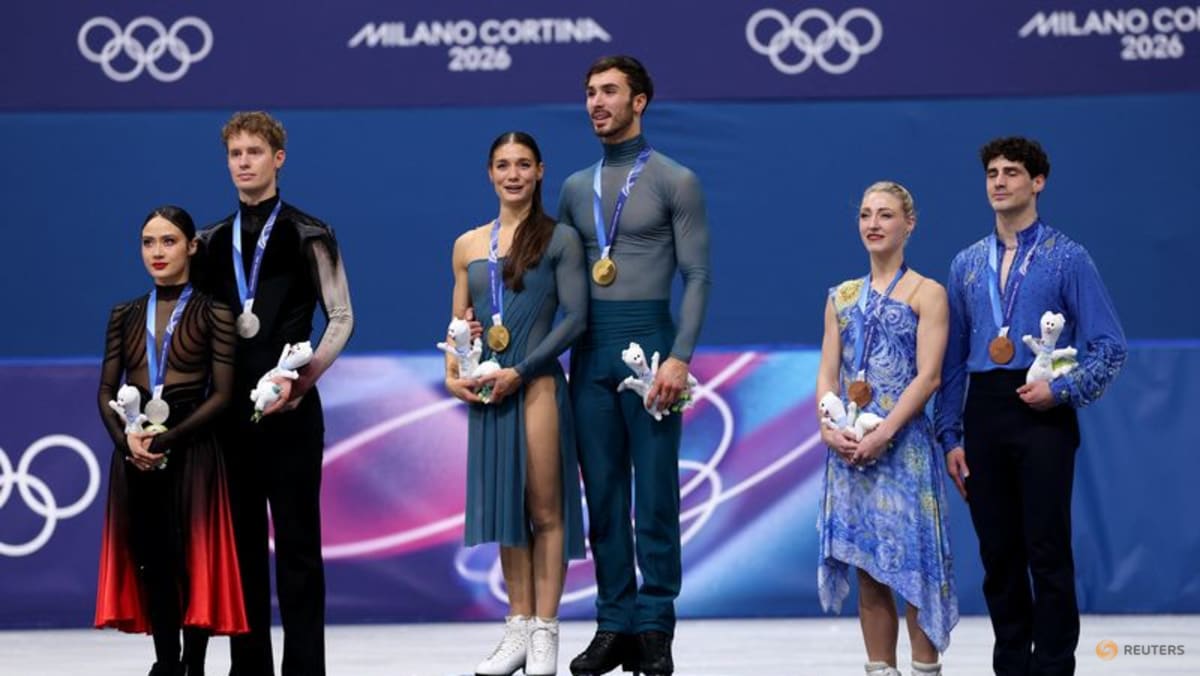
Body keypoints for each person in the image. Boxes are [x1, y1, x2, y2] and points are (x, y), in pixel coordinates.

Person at [934, 137, 1126, 676]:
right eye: (992, 172)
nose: (999, 181)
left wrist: (1061, 391)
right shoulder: (967, 263)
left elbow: (1111, 348)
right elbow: (951, 363)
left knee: (1046, 549)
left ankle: (1056, 665)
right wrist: (950, 436)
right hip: (984, 412)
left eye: (1012, 172)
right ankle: (1012, 665)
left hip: (1043, 410)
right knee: (998, 555)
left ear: (1037, 182)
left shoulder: (1068, 258)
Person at [557, 55, 710, 676]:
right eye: (590, 92)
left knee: (655, 496)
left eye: (610, 92)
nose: (597, 102)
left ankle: (654, 624)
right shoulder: (572, 188)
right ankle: (612, 622)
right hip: (588, 354)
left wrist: (679, 356)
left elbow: (697, 275)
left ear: (639, 101)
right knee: (604, 496)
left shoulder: (677, 180)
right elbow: (554, 281)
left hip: (652, 349)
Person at [194, 111, 354, 676]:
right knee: (240, 556)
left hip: (293, 415)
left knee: (299, 551)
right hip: (228, 422)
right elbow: (195, 330)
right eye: (235, 154)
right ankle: (249, 669)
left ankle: (306, 669)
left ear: (278, 158)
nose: (244, 163)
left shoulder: (311, 232)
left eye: (254, 153)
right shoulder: (210, 242)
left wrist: (301, 383)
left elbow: (340, 317)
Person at [444, 131, 588, 676]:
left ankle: (547, 630)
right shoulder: (467, 246)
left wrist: (521, 370)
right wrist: (454, 373)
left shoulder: (561, 240)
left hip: (537, 384)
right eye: (503, 165)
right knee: (507, 514)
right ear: (489, 173)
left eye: (523, 165)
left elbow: (575, 317)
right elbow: (460, 325)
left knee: (544, 510)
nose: (513, 174)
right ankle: (518, 628)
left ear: (540, 172)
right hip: (488, 390)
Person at [95, 205, 248, 676]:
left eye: (168, 241)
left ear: (191, 246)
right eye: (148, 242)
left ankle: (193, 665)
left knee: (192, 558)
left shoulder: (215, 311)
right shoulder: (124, 314)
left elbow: (223, 395)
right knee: (151, 560)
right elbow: (105, 390)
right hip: (137, 450)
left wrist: (171, 440)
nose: (157, 252)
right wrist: (128, 444)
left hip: (193, 447)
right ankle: (166, 663)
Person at [816, 182, 958, 676]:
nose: (873, 223)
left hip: (904, 450)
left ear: (909, 224)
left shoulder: (928, 293)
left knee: (916, 569)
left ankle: (923, 668)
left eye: (885, 215)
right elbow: (827, 374)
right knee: (869, 569)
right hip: (851, 448)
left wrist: (885, 434)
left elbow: (930, 376)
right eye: (864, 215)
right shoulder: (841, 296)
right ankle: (880, 668)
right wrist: (828, 426)